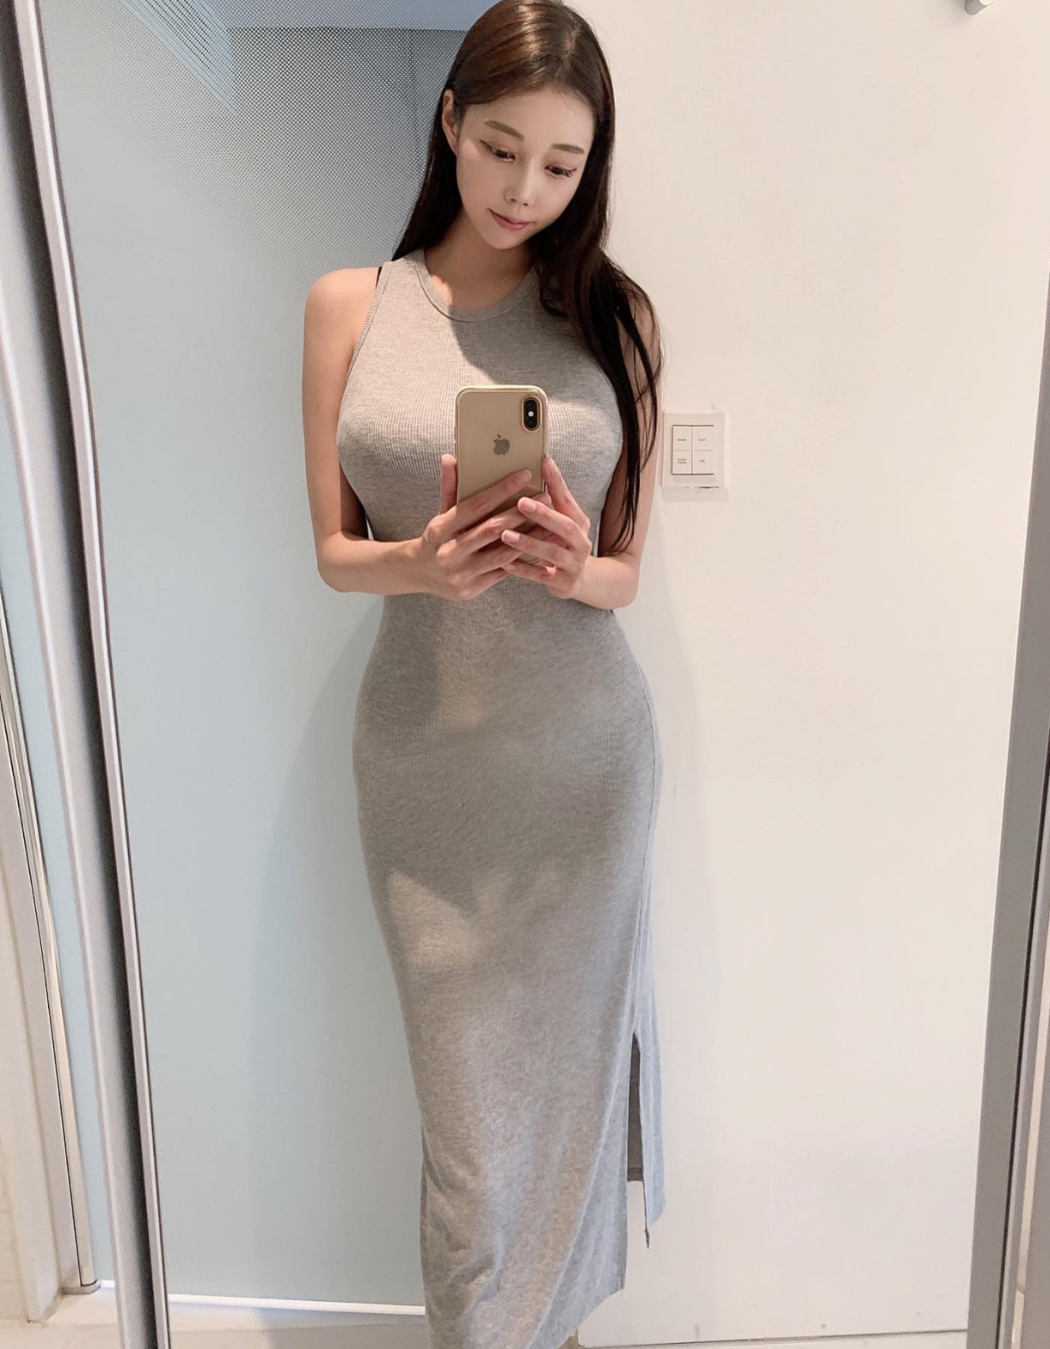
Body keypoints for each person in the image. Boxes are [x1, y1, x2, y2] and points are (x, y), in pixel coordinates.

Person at [301, 3, 666, 1345]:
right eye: (501, 146)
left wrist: (570, 566)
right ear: (450, 119)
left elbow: (627, 572)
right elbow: (334, 555)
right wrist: (422, 563)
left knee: (567, 1094)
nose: (525, 189)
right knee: (468, 1128)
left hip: (583, 767)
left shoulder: (616, 318)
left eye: (563, 164)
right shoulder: (351, 305)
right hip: (427, 772)